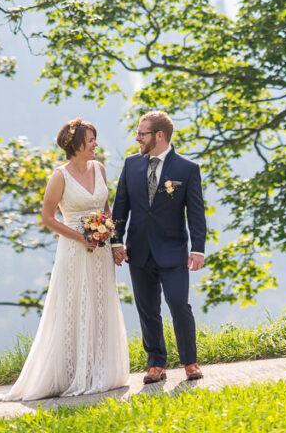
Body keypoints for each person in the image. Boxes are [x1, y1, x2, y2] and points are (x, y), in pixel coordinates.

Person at [0, 118, 129, 400]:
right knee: (75, 306)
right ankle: (71, 372)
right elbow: (47, 217)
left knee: (100, 304)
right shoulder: (59, 176)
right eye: (91, 140)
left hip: (101, 249)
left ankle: (99, 370)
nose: (96, 145)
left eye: (95, 139)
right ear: (77, 144)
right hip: (74, 250)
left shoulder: (100, 169)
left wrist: (115, 241)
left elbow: (106, 207)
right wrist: (79, 235)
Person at [111, 109, 207, 383]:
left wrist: (197, 248)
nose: (137, 138)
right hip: (138, 251)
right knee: (147, 310)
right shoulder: (131, 165)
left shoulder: (186, 169)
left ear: (160, 135)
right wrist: (116, 241)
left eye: (142, 133)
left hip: (173, 251)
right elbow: (121, 207)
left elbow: (196, 212)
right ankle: (156, 364)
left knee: (178, 304)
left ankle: (190, 362)